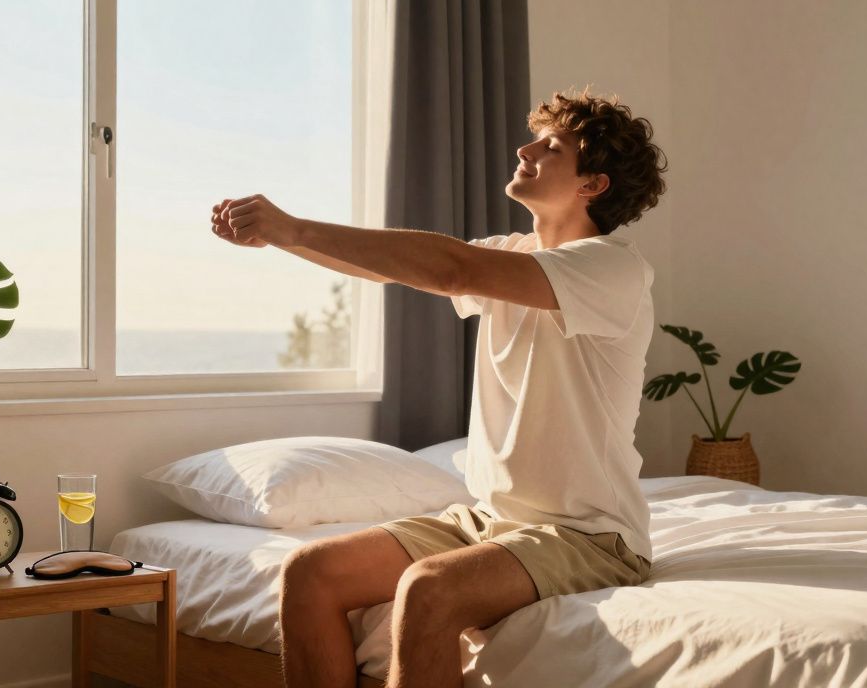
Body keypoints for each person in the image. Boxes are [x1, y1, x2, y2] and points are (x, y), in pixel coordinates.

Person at [210, 88, 668, 688]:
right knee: (310, 573)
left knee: (427, 588)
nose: (525, 150)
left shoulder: (612, 267)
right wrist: (285, 239)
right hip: (491, 521)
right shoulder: (514, 255)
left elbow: (452, 268)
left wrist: (293, 226)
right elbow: (392, 268)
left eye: (551, 147)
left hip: (589, 535)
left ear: (594, 184)